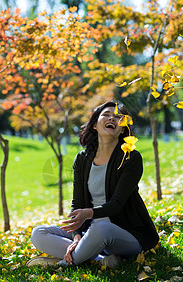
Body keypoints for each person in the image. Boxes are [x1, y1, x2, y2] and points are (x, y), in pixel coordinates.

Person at [28, 101, 159, 268]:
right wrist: (76, 237)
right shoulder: (82, 159)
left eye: (119, 117)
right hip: (89, 233)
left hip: (125, 235)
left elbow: (116, 205)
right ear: (95, 125)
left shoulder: (131, 158)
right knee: (38, 233)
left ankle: (62, 264)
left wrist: (88, 214)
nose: (112, 118)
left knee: (101, 228)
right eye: (106, 115)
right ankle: (99, 260)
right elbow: (77, 205)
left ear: (122, 129)